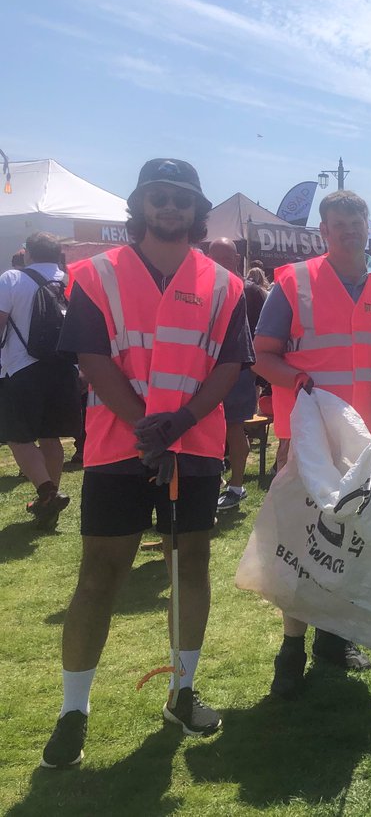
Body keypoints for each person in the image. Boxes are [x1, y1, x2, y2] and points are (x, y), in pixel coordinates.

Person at [41, 158, 251, 769]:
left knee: (191, 567)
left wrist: (179, 425)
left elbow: (228, 364)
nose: (169, 206)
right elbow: (91, 357)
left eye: (180, 198)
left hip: (195, 445)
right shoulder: (97, 274)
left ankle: (182, 693)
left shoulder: (224, 284)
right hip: (118, 447)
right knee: (99, 574)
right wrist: (145, 428)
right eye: (158, 196)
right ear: (140, 205)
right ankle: (73, 712)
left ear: (196, 209)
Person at [252, 190, 371, 696]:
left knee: (352, 539)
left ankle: (333, 638)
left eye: (355, 223)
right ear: (323, 232)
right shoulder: (293, 283)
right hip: (313, 440)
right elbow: (263, 356)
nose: (348, 232)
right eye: (338, 225)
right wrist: (298, 382)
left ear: (367, 225)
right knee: (303, 541)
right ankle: (291, 646)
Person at [0, 231, 81, 530]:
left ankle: (48, 492)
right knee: (51, 436)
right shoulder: (69, 280)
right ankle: (49, 505)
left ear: (28, 254)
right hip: (64, 368)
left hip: (22, 367)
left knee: (18, 437)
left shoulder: (12, 278)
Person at [205, 238, 257, 512]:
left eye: (225, 259)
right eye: (214, 258)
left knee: (234, 428)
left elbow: (258, 333)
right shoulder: (206, 286)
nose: (219, 264)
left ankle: (236, 487)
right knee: (211, 428)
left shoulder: (249, 290)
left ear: (236, 259)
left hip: (238, 369)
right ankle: (216, 482)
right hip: (211, 369)